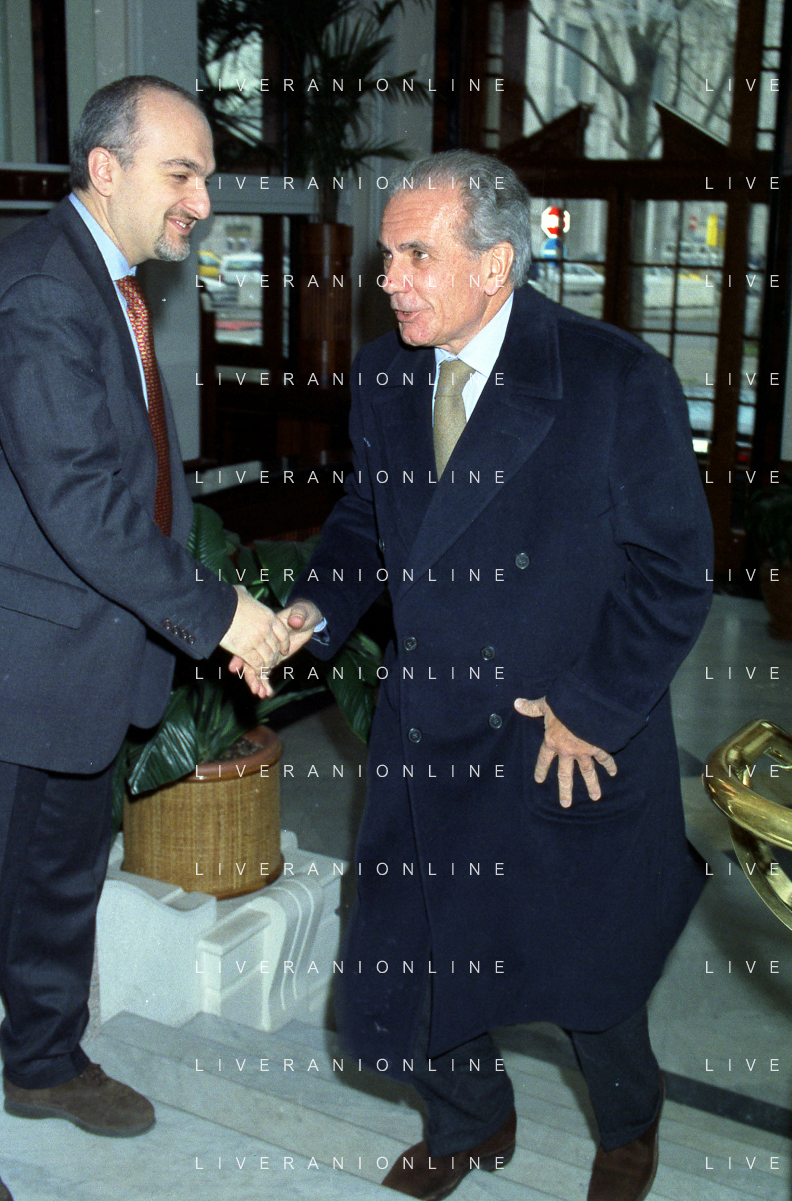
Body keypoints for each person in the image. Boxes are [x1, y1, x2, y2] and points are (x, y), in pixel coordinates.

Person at [265, 150, 713, 1201]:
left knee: (588, 964)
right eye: (387, 256)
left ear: (497, 264)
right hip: (431, 724)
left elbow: (673, 572)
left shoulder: (613, 379)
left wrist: (589, 705)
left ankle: (628, 1127)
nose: (389, 281)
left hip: (561, 729)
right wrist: (316, 607)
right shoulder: (385, 375)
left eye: (417, 255)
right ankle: (469, 1119)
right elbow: (365, 519)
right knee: (419, 947)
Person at [0, 75, 287, 1188]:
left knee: (59, 885)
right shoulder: (44, 288)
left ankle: (41, 1062)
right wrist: (224, 615)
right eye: (182, 173)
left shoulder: (106, 281)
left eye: (205, 175)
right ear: (104, 168)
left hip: (82, 662)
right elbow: (80, 497)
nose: (202, 200)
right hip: (24, 666)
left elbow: (139, 478)